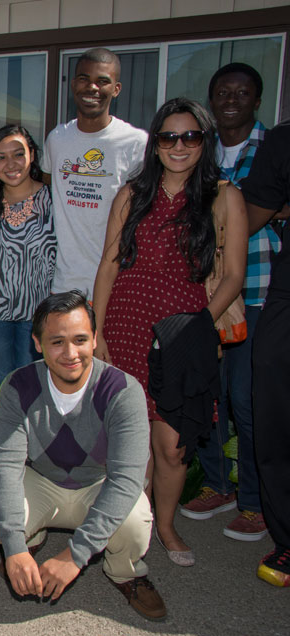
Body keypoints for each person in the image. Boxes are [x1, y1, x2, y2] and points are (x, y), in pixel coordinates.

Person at [92, 98, 247, 566]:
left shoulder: (224, 196)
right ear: (155, 143)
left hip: (184, 334)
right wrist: (96, 330)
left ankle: (165, 525)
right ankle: (123, 525)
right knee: (123, 439)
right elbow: (109, 264)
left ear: (205, 140)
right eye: (169, 137)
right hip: (126, 324)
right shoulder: (131, 194)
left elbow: (235, 274)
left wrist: (197, 328)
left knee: (172, 446)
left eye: (191, 136)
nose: (179, 146)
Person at [0, 292, 166, 621]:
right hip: (41, 480)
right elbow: (6, 468)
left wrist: (74, 556)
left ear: (95, 339)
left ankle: (125, 572)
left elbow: (125, 479)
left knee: (136, 521)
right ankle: (30, 538)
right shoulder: (17, 386)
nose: (70, 353)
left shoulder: (123, 391)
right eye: (57, 342)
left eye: (80, 340)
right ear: (37, 343)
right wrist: (14, 548)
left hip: (99, 482)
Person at [183, 63, 270, 542]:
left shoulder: (273, 148)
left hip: (256, 293)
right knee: (209, 394)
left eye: (241, 92)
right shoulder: (200, 148)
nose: (231, 99)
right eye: (222, 92)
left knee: (248, 398)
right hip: (202, 292)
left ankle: (255, 501)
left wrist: (232, 216)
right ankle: (218, 483)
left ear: (257, 99)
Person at [41, 48, 147, 296]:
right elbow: (42, 182)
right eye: (84, 79)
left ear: (116, 89)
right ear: (73, 84)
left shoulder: (136, 143)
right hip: (64, 283)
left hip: (116, 284)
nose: (92, 88)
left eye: (103, 81)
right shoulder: (57, 139)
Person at [0, 125, 55, 388]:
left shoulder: (53, 199)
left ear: (32, 155)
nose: (10, 164)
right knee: (1, 386)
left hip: (41, 313)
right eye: (0, 157)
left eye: (18, 154)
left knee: (36, 386)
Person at [241, 119, 290, 587]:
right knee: (273, 411)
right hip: (284, 293)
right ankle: (287, 538)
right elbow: (253, 211)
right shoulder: (284, 140)